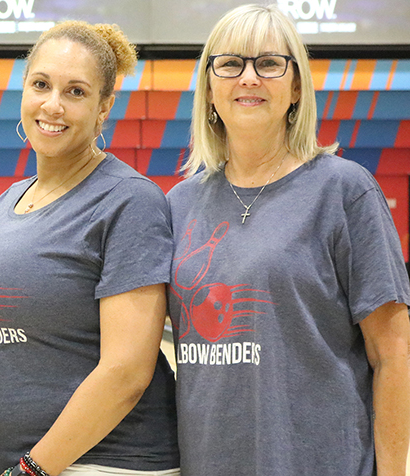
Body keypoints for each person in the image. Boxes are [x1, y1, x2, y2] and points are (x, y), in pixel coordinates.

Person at [167, 4, 410, 475]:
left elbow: (393, 352)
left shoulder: (344, 190)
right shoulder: (178, 204)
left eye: (269, 63)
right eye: (231, 64)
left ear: (296, 86)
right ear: (210, 86)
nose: (249, 78)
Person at [0, 21, 180, 476]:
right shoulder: (6, 200)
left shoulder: (128, 201)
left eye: (76, 92)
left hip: (105, 464)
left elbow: (127, 373)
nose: (53, 105)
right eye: (41, 84)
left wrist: (32, 469)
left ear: (103, 108)